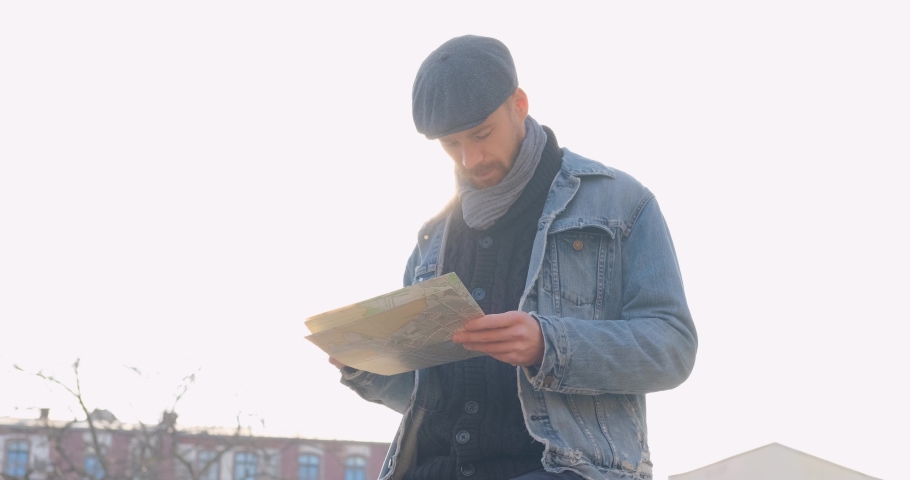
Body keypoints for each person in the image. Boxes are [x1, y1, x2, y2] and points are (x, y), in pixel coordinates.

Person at [330, 35, 697, 480]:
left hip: (561, 470)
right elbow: (426, 395)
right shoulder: (432, 238)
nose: (471, 157)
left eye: (482, 134)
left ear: (519, 103)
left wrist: (550, 345)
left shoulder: (621, 204)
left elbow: (672, 348)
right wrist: (365, 366)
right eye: (451, 144)